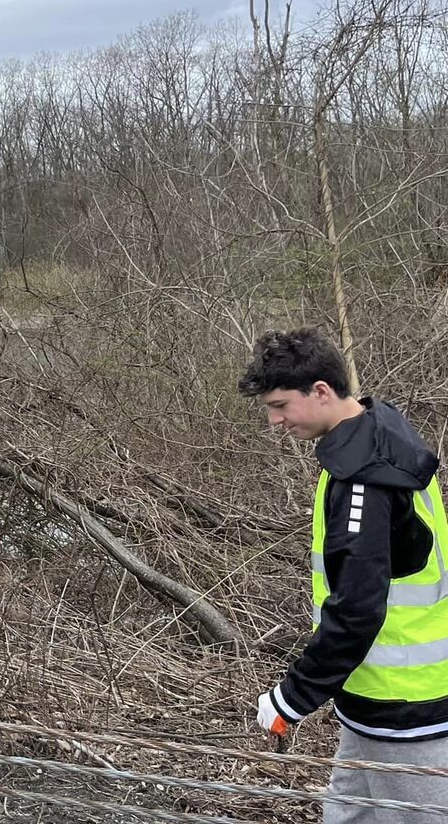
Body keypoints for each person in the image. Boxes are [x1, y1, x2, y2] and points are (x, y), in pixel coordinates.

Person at [240, 328, 448, 822]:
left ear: (320, 391)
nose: (274, 421)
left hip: (405, 705)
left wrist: (292, 698)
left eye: (280, 405)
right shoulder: (379, 431)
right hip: (371, 695)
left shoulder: (365, 478)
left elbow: (357, 608)